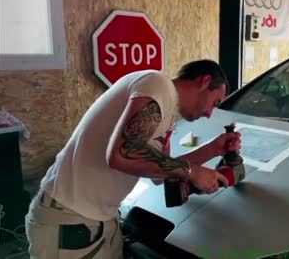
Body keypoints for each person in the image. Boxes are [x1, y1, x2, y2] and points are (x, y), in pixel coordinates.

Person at [25, 59, 241, 259]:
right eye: (215, 102)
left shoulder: (166, 114)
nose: (211, 113)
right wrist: (193, 171)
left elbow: (161, 173)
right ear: (205, 81)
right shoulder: (158, 85)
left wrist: (212, 149)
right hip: (70, 219)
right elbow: (121, 153)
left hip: (100, 220)